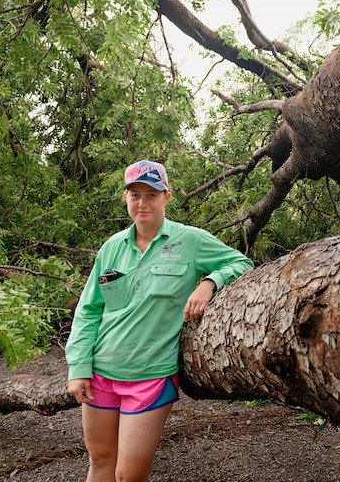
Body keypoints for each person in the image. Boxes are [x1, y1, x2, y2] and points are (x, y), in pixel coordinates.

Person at [65, 160, 253, 482]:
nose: (143, 203)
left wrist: (209, 283)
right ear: (125, 198)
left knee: (128, 475)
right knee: (100, 461)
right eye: (135, 194)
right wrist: (78, 367)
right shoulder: (112, 247)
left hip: (150, 378)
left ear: (166, 197)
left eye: (152, 194)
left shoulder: (190, 241)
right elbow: (89, 310)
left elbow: (242, 262)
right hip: (99, 374)